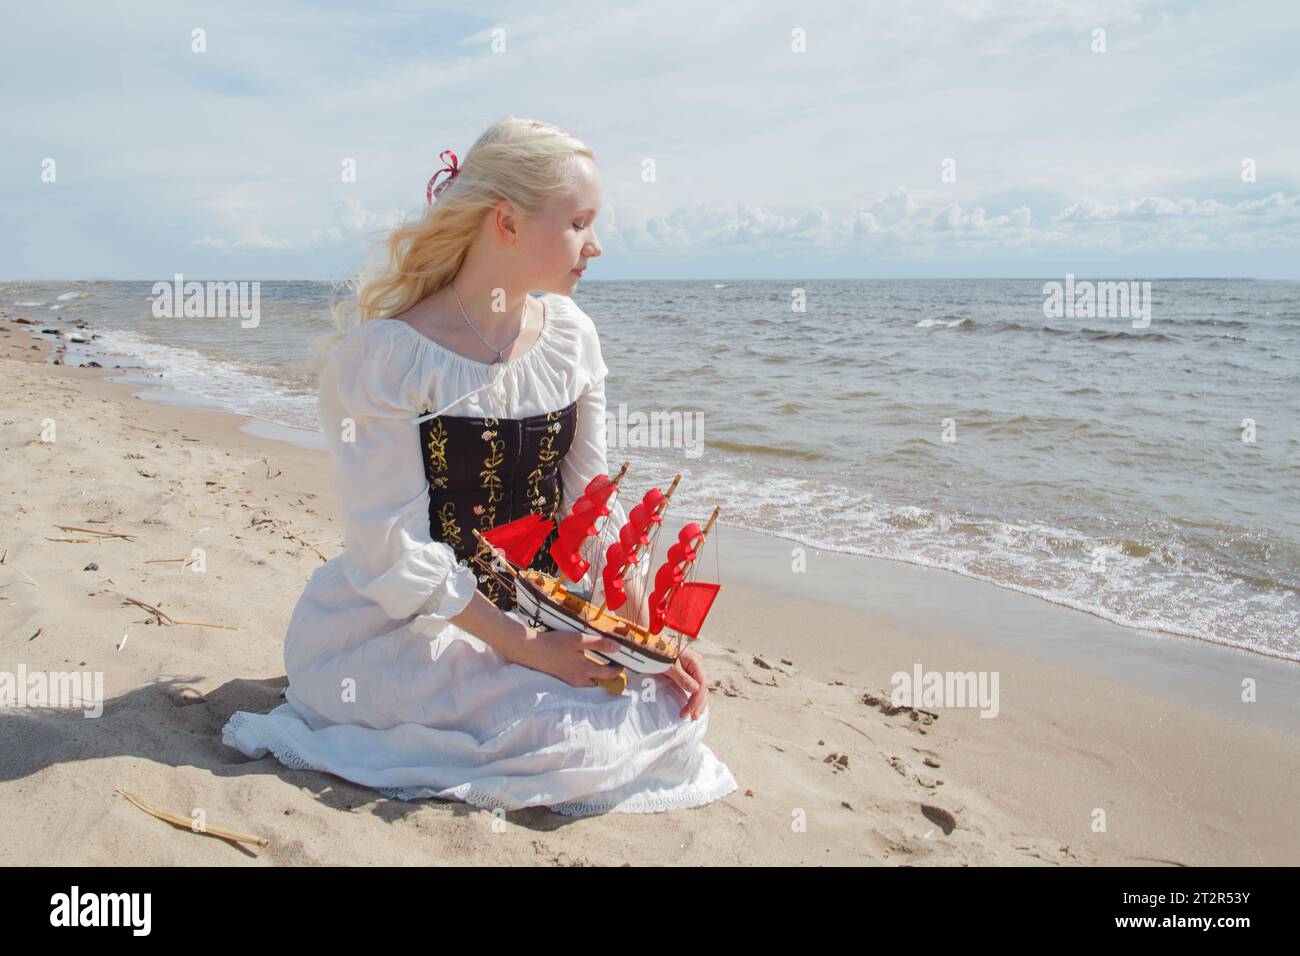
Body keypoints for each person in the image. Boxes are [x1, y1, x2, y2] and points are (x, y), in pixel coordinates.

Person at [222, 117, 737, 815]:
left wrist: (646, 639)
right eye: (580, 222)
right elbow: (389, 544)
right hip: (424, 617)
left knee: (659, 706)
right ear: (507, 222)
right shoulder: (388, 358)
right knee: (561, 733)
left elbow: (591, 503)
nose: (597, 244)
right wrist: (527, 648)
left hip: (544, 595)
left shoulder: (572, 339)